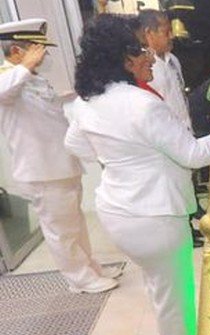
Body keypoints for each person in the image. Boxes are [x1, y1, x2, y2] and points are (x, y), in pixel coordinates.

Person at [65, 14, 210, 335]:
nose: (150, 57)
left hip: (118, 211)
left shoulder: (86, 102)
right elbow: (194, 155)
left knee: (159, 286)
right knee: (175, 295)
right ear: (123, 58)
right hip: (153, 215)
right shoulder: (140, 104)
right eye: (141, 50)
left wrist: (123, 160)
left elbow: (76, 146)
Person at [0, 18, 120, 293]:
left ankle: (90, 269)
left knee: (75, 225)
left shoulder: (32, 79)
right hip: (41, 170)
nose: (43, 56)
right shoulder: (8, 77)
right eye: (36, 49)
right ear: (17, 51)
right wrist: (25, 65)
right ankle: (79, 279)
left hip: (61, 164)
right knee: (61, 230)